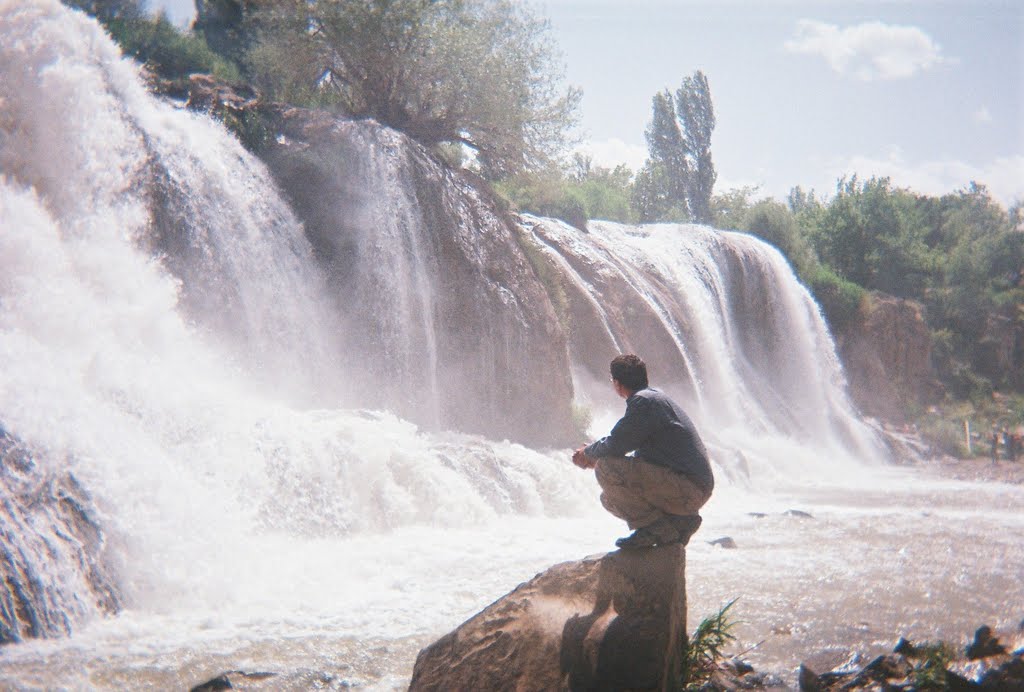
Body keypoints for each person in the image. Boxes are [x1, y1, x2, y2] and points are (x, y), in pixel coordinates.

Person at [571, 354, 714, 549]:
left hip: (687, 488)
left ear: (617, 384)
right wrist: (595, 454)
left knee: (606, 468)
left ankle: (655, 528)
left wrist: (589, 453)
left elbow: (617, 444)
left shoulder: (643, 402)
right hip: (694, 488)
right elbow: (636, 455)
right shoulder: (655, 399)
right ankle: (680, 523)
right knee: (610, 499)